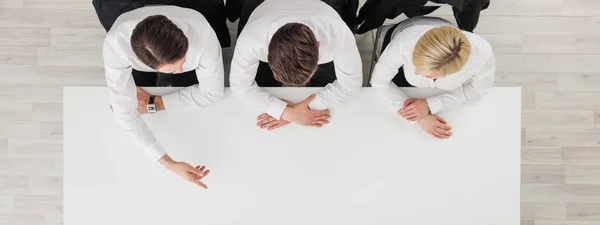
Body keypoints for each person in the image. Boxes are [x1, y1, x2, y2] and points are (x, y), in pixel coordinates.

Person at [104, 6, 224, 187]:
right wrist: (168, 162)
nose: (180, 70)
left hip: (195, 31)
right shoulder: (115, 45)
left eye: (181, 62)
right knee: (140, 83)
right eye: (174, 68)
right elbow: (124, 111)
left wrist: (156, 102)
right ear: (138, 60)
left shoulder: (204, 36)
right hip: (134, 48)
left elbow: (212, 93)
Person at [230, 0, 363, 131]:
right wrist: (286, 113)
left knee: (323, 84)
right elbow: (240, 86)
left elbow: (351, 85)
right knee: (263, 83)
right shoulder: (251, 41)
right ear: (268, 54)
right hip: (268, 11)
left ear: (318, 46)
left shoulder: (339, 36)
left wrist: (307, 108)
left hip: (320, 10)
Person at [370, 17, 495, 139]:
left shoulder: (482, 53)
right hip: (403, 32)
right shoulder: (403, 44)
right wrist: (418, 116)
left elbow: (478, 91)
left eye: (427, 74)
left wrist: (431, 104)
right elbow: (379, 82)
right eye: (416, 65)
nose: (417, 72)